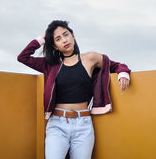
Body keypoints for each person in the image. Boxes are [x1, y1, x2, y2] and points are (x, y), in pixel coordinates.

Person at [17, 20, 131, 159]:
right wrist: (42, 38)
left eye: (66, 34)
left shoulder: (90, 58)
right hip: (57, 125)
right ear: (55, 46)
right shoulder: (50, 65)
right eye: (58, 39)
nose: (64, 40)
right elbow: (23, 57)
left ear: (73, 35)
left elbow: (116, 65)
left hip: (83, 125)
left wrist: (123, 73)